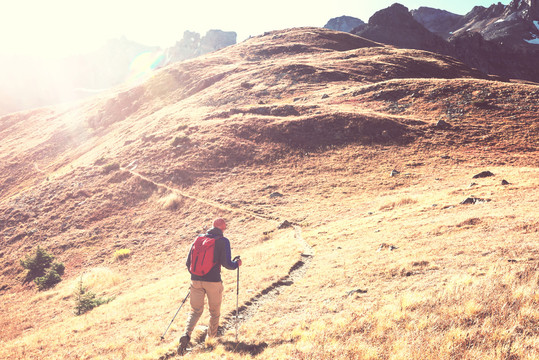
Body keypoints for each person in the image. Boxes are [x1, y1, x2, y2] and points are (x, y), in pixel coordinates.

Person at [179, 218, 242, 351]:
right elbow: (227, 264)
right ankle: (210, 341)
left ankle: (186, 335)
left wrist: (196, 276)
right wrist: (237, 263)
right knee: (214, 313)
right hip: (213, 282)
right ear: (223, 229)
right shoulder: (223, 241)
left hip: (195, 280)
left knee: (195, 311)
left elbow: (187, 263)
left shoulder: (199, 238)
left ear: (212, 227)